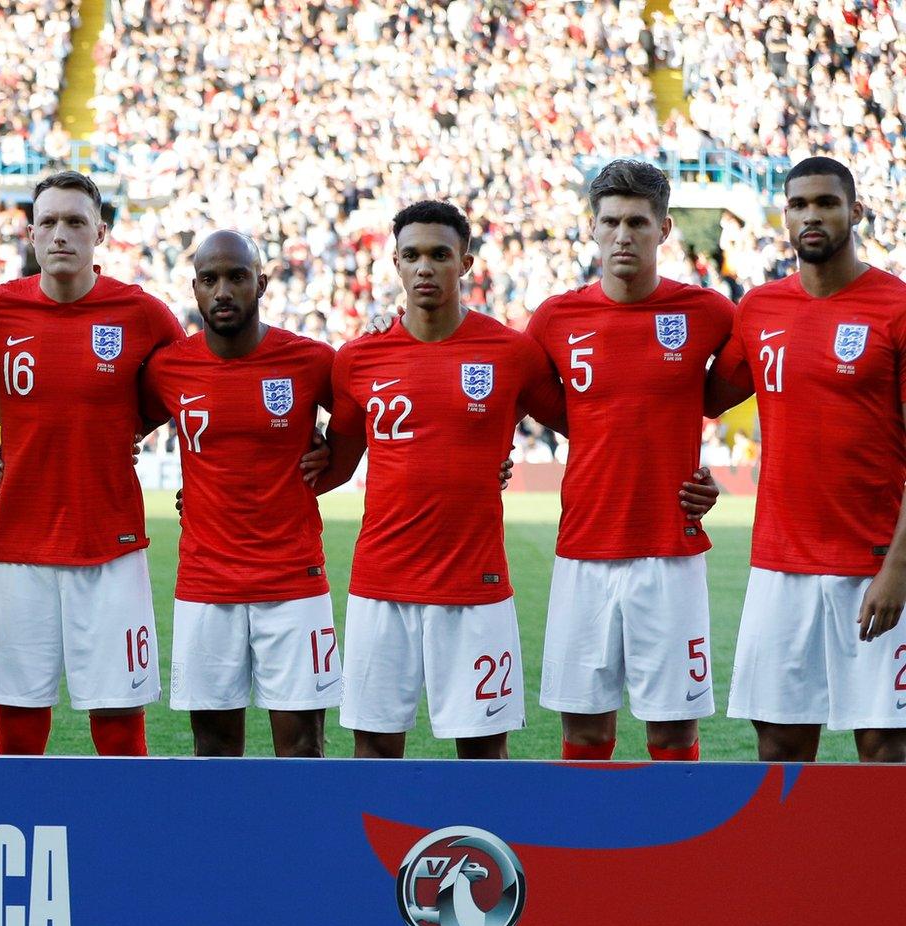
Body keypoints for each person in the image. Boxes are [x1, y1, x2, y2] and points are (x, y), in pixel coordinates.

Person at [322, 200, 561, 759]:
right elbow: (332, 465)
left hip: (474, 588)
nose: (424, 267)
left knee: (482, 754)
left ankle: (482, 851)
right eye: (411, 255)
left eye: (439, 255)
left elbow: (591, 424)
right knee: (375, 752)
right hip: (381, 585)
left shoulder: (512, 352)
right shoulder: (358, 358)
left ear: (466, 263)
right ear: (396, 264)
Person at [0, 170, 181, 756]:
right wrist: (19, 429)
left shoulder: (143, 313)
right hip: (18, 543)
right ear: (30, 234)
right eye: (49, 222)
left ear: (100, 232)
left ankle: (125, 835)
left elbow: (187, 385)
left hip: (110, 542)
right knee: (20, 720)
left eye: (76, 221)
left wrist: (126, 427)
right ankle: (22, 834)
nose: (62, 234)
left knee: (117, 716)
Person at [523, 159, 735, 762]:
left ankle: (677, 858)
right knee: (585, 732)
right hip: (584, 550)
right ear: (591, 227)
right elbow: (502, 395)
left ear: (664, 229)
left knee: (672, 732)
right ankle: (588, 857)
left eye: (637, 222)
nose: (623, 234)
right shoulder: (554, 319)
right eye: (610, 221)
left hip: (671, 552)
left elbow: (764, 373)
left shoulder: (709, 313)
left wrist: (704, 472)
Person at [721, 156, 906, 764]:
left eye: (826, 203)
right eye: (798, 204)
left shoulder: (895, 307)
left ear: (854, 211)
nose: (811, 215)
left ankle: (879, 865)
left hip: (874, 563)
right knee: (778, 742)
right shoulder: (758, 309)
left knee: (885, 747)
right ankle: (784, 864)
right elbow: (690, 398)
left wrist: (898, 570)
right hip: (781, 564)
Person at [142, 230, 343, 757]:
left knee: (302, 746)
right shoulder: (169, 367)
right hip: (206, 583)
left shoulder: (311, 360)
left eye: (237, 277)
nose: (223, 291)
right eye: (210, 280)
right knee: (212, 746)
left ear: (263, 283)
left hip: (294, 581)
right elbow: (107, 427)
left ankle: (299, 842)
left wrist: (334, 461)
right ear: (195, 289)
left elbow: (368, 419)